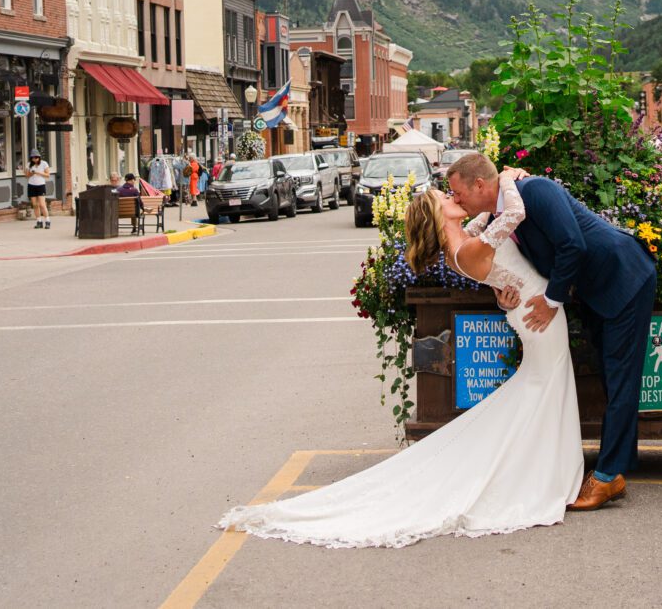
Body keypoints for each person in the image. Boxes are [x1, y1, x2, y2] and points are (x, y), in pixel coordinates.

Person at [219, 166, 583, 547]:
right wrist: (508, 176)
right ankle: (542, 472)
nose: (453, 197)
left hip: (528, 311)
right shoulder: (465, 249)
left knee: (541, 386)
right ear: (438, 216)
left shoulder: (466, 240)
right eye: (446, 198)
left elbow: (490, 223)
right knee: (543, 384)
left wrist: (501, 290)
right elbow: (512, 215)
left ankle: (540, 466)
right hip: (537, 315)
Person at [449, 151, 656, 510]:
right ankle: (617, 470)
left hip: (623, 277)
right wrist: (506, 292)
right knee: (612, 376)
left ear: (479, 184)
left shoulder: (536, 190)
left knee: (621, 377)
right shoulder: (498, 213)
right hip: (595, 293)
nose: (456, 200)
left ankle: (607, 477)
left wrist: (551, 300)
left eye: (458, 193)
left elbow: (572, 244)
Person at [24, 153, 52, 229]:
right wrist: (31, 173)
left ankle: (47, 221)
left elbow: (48, 175)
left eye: (36, 158)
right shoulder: (29, 164)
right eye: (33, 158)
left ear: (39, 157)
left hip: (41, 185)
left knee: (42, 205)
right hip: (31, 185)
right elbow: (26, 175)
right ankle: (39, 221)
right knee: (35, 205)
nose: (35, 160)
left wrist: (38, 172)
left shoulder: (44, 163)